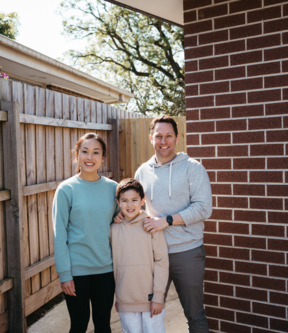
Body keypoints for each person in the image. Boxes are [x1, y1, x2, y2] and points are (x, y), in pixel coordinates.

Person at [114, 115, 213, 333]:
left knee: (194, 314)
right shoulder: (142, 171)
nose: (163, 141)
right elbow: (136, 206)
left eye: (168, 136)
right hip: (151, 254)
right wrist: (121, 216)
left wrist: (166, 221)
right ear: (151, 138)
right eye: (158, 136)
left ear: (177, 138)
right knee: (151, 312)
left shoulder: (193, 168)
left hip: (186, 251)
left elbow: (204, 208)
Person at [53, 133, 118, 333]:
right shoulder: (66, 189)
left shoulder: (113, 189)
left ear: (102, 158)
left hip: (106, 271)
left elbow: (120, 223)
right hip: (76, 272)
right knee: (79, 326)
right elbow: (59, 235)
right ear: (77, 155)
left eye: (96, 152)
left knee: (103, 326)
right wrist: (65, 274)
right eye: (85, 151)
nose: (90, 157)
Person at [111, 178, 169, 333]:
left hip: (151, 300)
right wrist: (119, 299)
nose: (129, 205)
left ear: (142, 201)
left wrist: (158, 296)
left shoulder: (151, 226)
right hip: (125, 300)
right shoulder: (113, 229)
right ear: (118, 203)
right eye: (124, 201)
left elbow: (162, 261)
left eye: (134, 200)